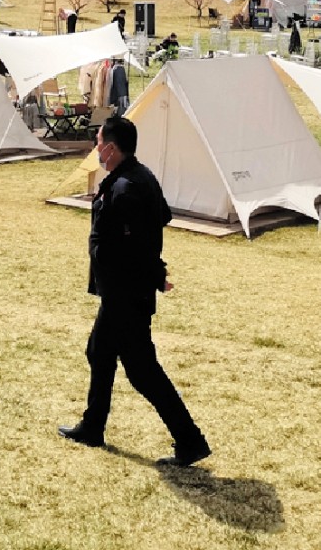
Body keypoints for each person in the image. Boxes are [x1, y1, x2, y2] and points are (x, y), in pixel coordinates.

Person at [58, 116, 210, 467]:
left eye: (99, 142)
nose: (96, 148)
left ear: (111, 148)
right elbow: (159, 220)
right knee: (99, 352)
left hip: (126, 294)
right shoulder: (140, 177)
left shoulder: (126, 187)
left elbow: (138, 242)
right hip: (122, 292)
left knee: (142, 371)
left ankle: (190, 441)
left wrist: (155, 273)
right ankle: (93, 427)